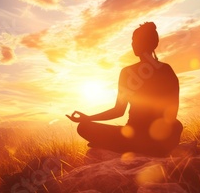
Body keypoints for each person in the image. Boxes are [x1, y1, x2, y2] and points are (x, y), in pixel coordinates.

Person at [67, 22, 183, 156]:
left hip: (135, 135)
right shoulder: (166, 70)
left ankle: (122, 145)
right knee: (176, 126)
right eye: (132, 41)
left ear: (146, 43)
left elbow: (118, 111)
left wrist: (88, 119)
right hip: (157, 138)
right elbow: (172, 113)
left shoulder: (129, 73)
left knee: (84, 127)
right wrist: (88, 118)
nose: (132, 44)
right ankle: (146, 147)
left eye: (135, 40)